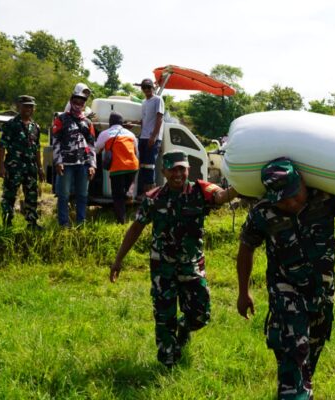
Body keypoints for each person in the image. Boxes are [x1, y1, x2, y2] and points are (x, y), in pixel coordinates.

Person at [236, 158, 335, 399]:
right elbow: (246, 248)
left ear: (302, 181)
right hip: (285, 289)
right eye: (282, 199)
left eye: (294, 194)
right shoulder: (262, 212)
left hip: (322, 290)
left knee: (312, 348)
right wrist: (243, 292)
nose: (290, 203)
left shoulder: (326, 196)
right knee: (294, 349)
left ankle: (301, 386)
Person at [110, 151, 237, 367]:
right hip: (163, 268)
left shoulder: (201, 190)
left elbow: (221, 197)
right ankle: (168, 363)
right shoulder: (154, 198)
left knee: (200, 315)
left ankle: (184, 327)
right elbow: (136, 228)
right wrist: (118, 260)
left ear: (188, 169)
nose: (178, 174)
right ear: (164, 171)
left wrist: (242, 184)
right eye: (173, 169)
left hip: (192, 266)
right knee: (163, 317)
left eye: (182, 169)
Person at [52, 88, 97, 227]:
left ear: (84, 105)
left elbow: (91, 144)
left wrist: (92, 165)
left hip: (83, 164)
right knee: (64, 195)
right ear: (71, 102)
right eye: (75, 101)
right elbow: (56, 141)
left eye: (81, 102)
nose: (78, 104)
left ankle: (80, 223)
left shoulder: (88, 122)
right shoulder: (61, 119)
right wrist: (58, 161)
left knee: (82, 195)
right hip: (66, 164)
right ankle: (63, 223)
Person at [0, 95, 44, 229]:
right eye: (26, 106)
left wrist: (40, 168)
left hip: (30, 167)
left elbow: (37, 148)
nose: (28, 109)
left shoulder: (36, 126)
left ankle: (32, 223)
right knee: (9, 195)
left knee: (31, 195)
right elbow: (2, 146)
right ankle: (7, 223)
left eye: (31, 106)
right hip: (14, 167)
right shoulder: (10, 124)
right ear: (19, 106)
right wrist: (1, 167)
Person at [95, 112, 139, 224]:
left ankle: (121, 221)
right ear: (121, 123)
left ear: (110, 123)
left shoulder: (106, 133)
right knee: (129, 184)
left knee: (117, 196)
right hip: (132, 165)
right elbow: (136, 151)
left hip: (118, 167)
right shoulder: (130, 134)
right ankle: (129, 193)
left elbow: (96, 149)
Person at [137, 78, 164, 195]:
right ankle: (143, 195)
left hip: (152, 138)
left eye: (149, 87)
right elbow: (144, 120)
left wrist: (153, 136)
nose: (147, 89)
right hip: (143, 137)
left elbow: (159, 118)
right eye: (144, 87)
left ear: (153, 88)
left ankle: (151, 196)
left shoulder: (158, 100)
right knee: (142, 166)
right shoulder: (143, 102)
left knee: (149, 167)